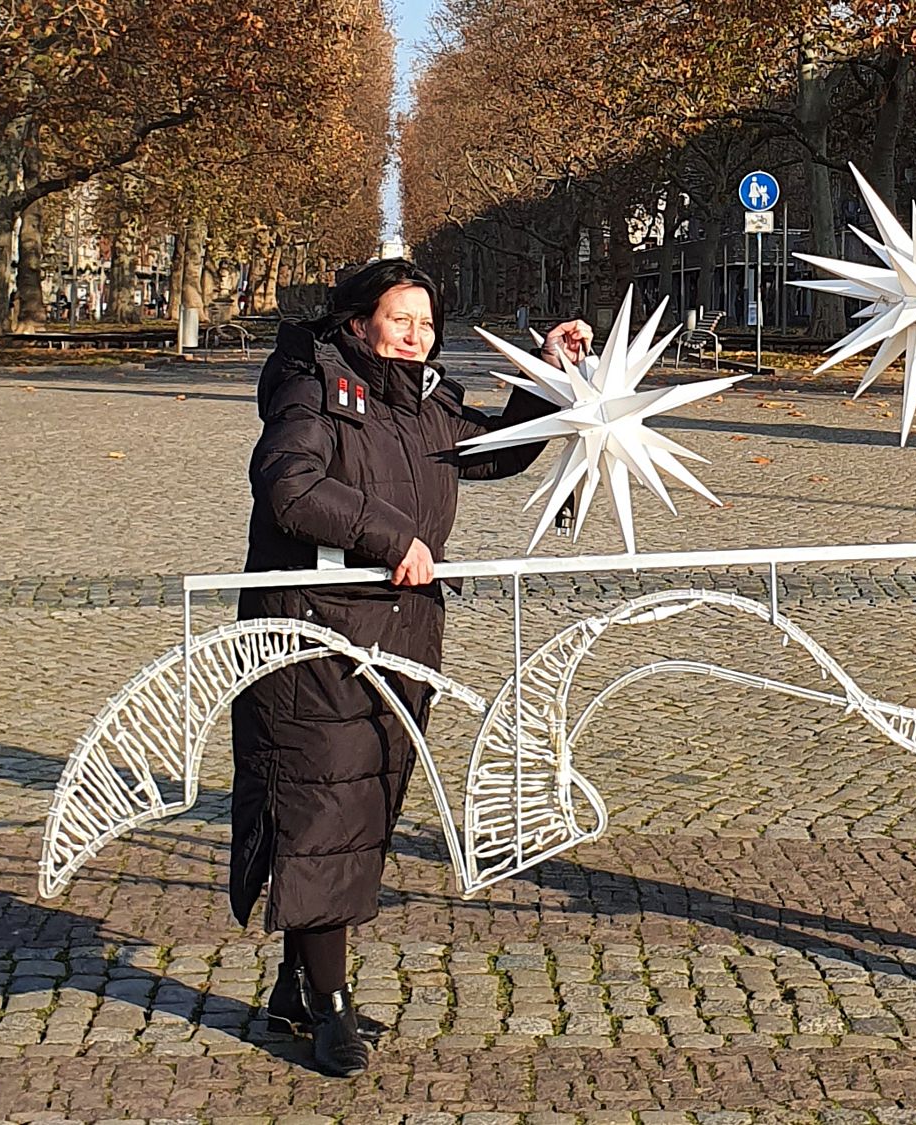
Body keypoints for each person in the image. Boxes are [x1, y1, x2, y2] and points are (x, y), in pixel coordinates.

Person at [230, 257, 589, 1077]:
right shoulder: (312, 387)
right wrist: (393, 539)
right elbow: (288, 486)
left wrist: (549, 372)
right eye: (402, 319)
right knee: (324, 814)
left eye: (426, 322)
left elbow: (493, 453)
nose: (418, 335)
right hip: (314, 639)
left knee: (361, 808)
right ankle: (328, 1007)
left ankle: (296, 981)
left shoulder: (424, 401)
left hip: (403, 634)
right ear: (359, 323)